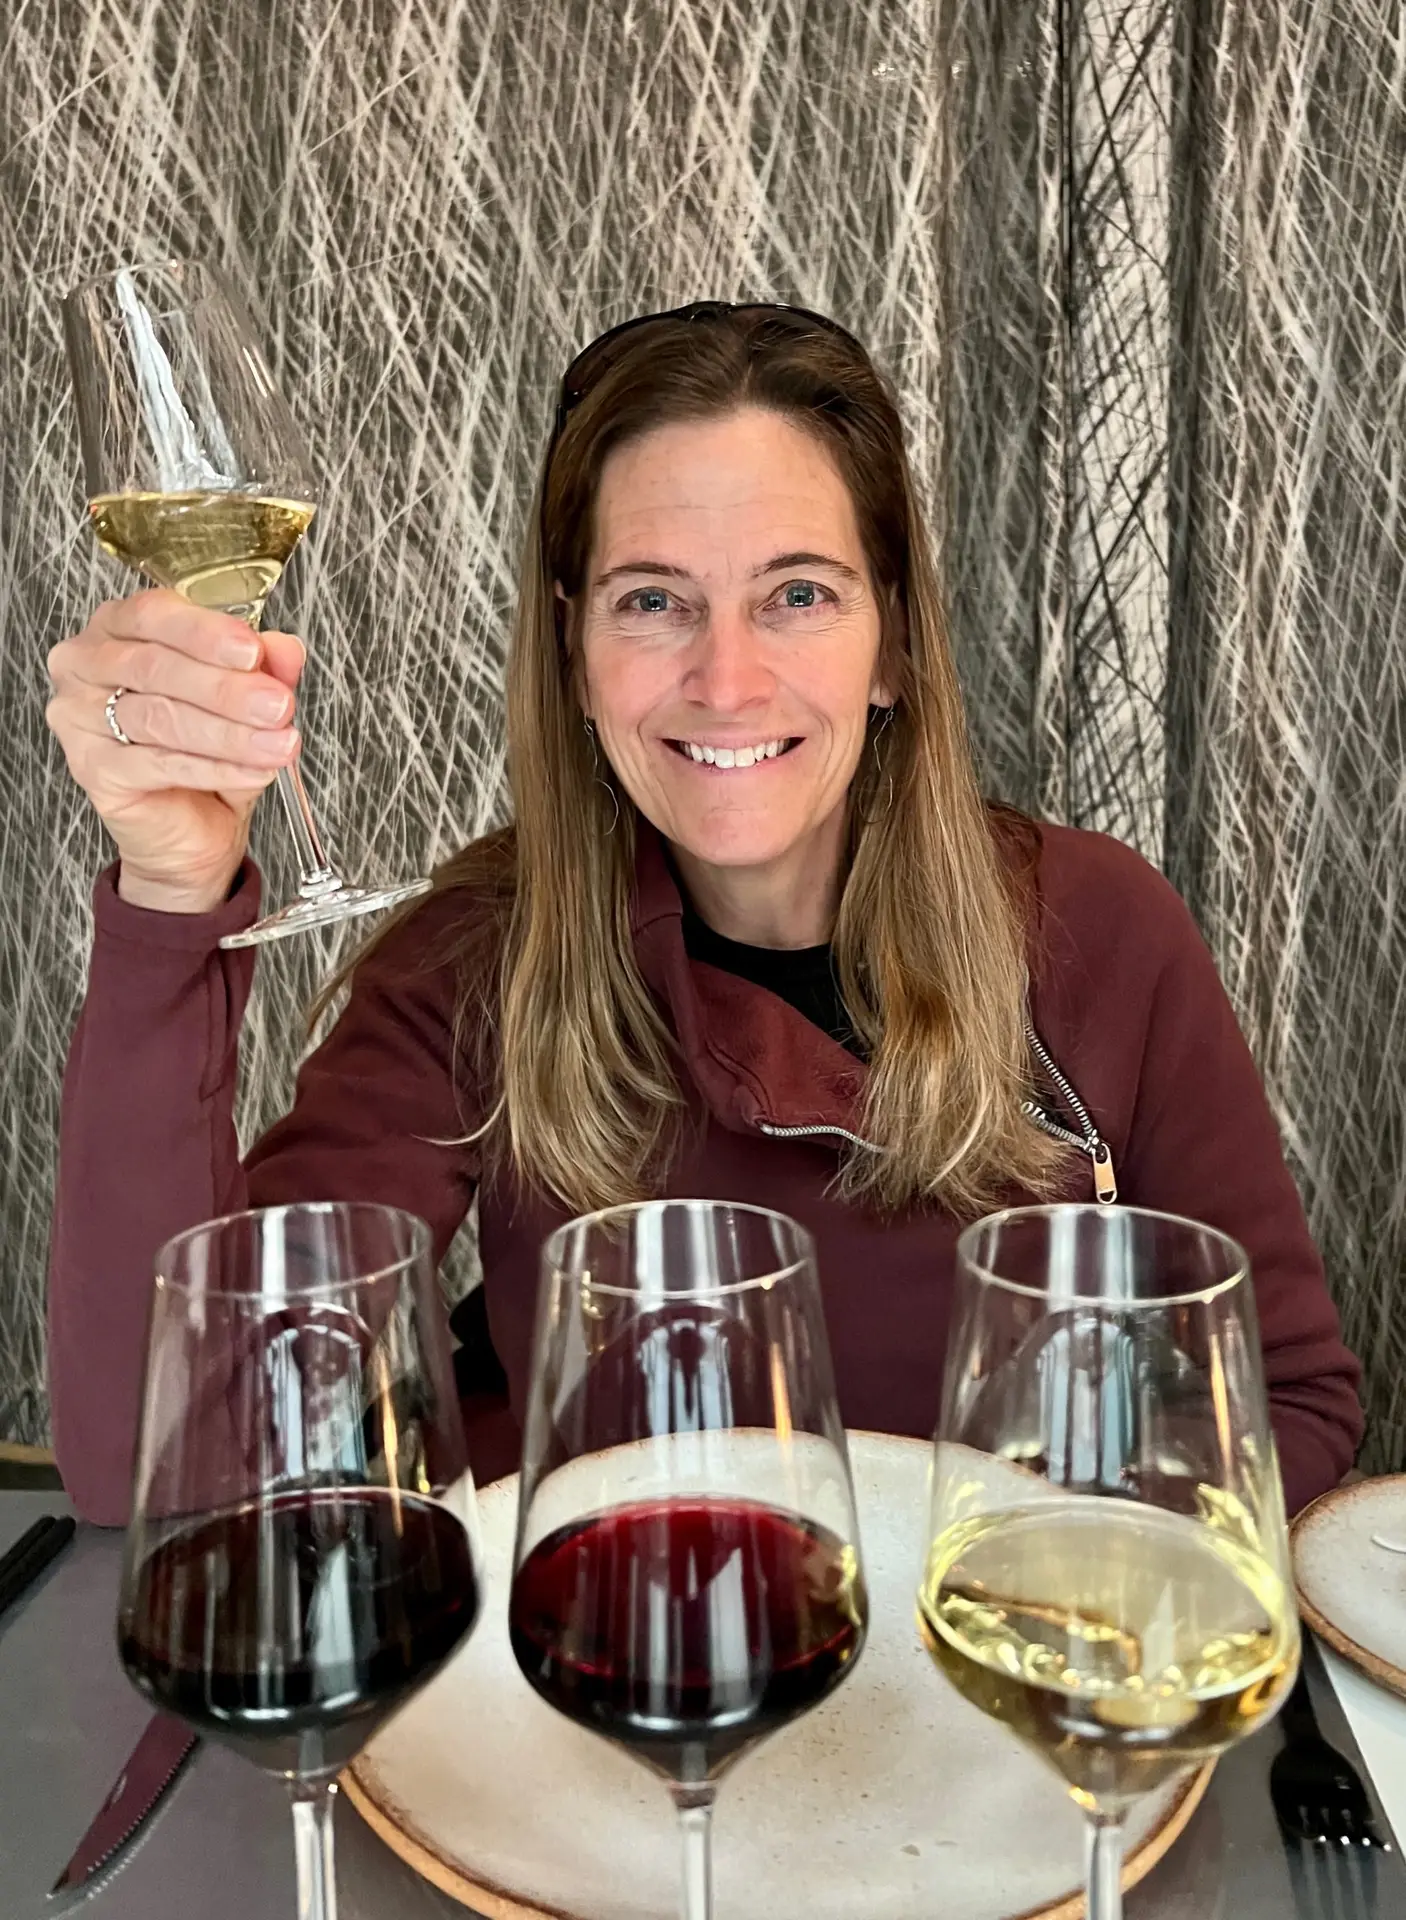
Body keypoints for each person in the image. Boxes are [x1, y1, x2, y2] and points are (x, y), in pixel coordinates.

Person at [44, 301, 1362, 1527]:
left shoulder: (1096, 927)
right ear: (572, 653)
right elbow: (159, 1457)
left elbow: (1288, 1406)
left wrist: (1025, 1593)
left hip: (995, 1696)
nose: (726, 681)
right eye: (653, 602)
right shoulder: (472, 965)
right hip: (612, 1690)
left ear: (891, 641)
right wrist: (171, 890)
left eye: (797, 594)